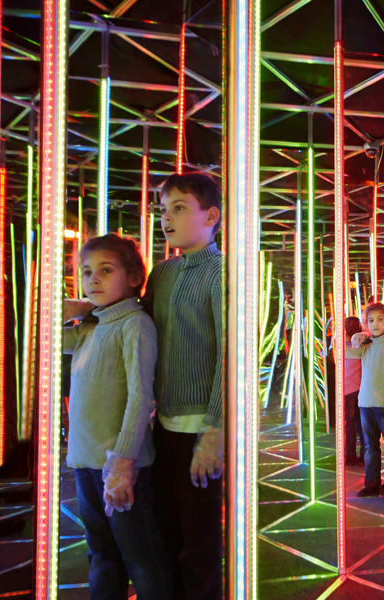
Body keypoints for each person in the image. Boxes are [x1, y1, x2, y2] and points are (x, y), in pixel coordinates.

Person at [61, 234, 170, 600]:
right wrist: (81, 310)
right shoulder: (92, 328)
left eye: (106, 271)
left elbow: (141, 398)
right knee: (102, 555)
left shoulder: (134, 326)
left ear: (135, 277)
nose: (93, 279)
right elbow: (44, 330)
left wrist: (123, 461)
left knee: (140, 557)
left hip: (120, 466)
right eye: (87, 272)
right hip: (84, 462)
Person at [143, 172, 225, 600]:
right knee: (166, 532)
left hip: (201, 427)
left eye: (178, 208)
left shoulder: (221, 271)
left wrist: (213, 434)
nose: (166, 218)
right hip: (164, 426)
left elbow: (230, 355)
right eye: (163, 210)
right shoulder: (162, 273)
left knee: (200, 542)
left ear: (211, 215)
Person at [347, 303, 384, 500]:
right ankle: (371, 483)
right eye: (371, 321)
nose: (376, 324)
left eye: (380, 319)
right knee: (369, 447)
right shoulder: (367, 344)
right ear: (366, 324)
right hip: (365, 404)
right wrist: (358, 336)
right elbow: (346, 353)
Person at [343, 316, 366, 465]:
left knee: (349, 425)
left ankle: (349, 454)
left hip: (346, 389)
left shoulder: (341, 348)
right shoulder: (361, 347)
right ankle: (364, 453)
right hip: (359, 388)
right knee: (361, 425)